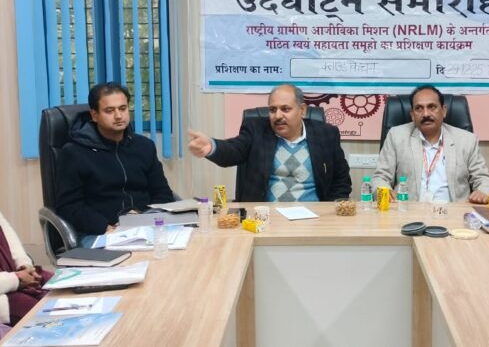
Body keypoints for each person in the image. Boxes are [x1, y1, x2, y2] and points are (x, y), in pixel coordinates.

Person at [56, 82, 175, 245]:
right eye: (109, 111)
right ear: (94, 115)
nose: (118, 116)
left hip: (147, 226)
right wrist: (105, 227)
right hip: (100, 232)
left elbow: (162, 193)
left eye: (123, 108)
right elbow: (69, 206)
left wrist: (146, 218)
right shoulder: (74, 152)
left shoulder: (144, 146)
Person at [188, 84, 352, 202]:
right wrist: (212, 147)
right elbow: (234, 150)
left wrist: (332, 211)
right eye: (273, 110)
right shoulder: (256, 129)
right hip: (266, 219)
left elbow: (342, 180)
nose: (277, 116)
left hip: (313, 218)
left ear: (302, 110)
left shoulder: (326, 134)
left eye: (285, 109)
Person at [373, 85, 489, 203]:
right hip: (408, 211)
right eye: (419, 108)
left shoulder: (466, 140)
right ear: (412, 115)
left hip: (453, 212)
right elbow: (380, 177)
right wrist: (383, 190)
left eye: (432, 107)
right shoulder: (396, 136)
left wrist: (483, 191)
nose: (426, 114)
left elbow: (483, 178)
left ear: (444, 111)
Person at [0, 211, 53, 328]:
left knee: (56, 284)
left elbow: (5, 231)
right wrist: (17, 279)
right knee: (39, 310)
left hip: (13, 275)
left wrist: (24, 264)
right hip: (4, 293)